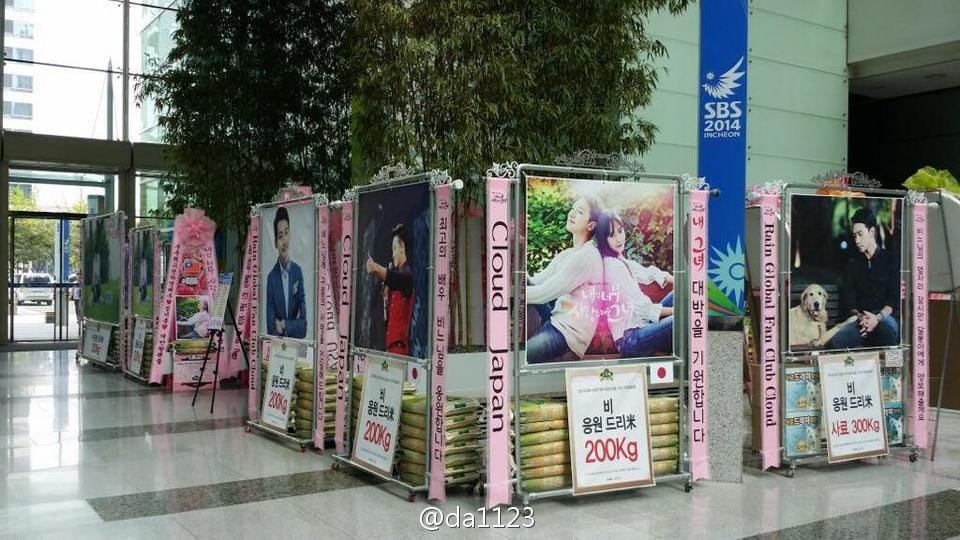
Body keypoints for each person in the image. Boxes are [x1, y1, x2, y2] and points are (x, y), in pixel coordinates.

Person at [525, 196, 605, 364]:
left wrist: (506, 294)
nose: (572, 213)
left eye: (579, 212)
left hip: (567, 337)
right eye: (573, 209)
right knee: (524, 282)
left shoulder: (586, 256)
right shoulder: (568, 254)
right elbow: (536, 282)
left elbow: (543, 294)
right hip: (555, 320)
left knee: (521, 357)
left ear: (591, 225)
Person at [596, 211, 674, 357]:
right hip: (631, 339)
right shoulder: (613, 267)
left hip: (642, 326)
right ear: (603, 239)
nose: (619, 239)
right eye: (611, 235)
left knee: (678, 294)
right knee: (681, 319)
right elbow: (643, 308)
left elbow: (647, 273)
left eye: (620, 231)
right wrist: (678, 311)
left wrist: (677, 281)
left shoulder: (619, 259)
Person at [828, 207, 900, 349]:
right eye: (854, 235)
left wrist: (876, 318)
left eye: (860, 234)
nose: (857, 240)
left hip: (884, 318)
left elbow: (892, 301)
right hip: (861, 321)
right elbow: (850, 303)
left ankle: (893, 364)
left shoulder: (890, 261)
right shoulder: (853, 265)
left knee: (887, 333)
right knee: (836, 342)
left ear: (871, 231)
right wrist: (862, 318)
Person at [366, 224, 415, 355]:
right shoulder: (398, 277)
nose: (393, 254)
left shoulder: (407, 276)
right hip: (391, 348)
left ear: (402, 248)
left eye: (395, 248)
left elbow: (393, 277)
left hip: (399, 348)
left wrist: (376, 268)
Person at [265, 207, 307, 338]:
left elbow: (303, 327)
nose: (284, 241)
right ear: (275, 243)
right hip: (278, 346)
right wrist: (293, 326)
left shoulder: (297, 272)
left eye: (286, 233)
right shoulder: (271, 279)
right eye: (280, 236)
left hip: (296, 345)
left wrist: (284, 325)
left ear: (290, 234)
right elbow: (270, 328)